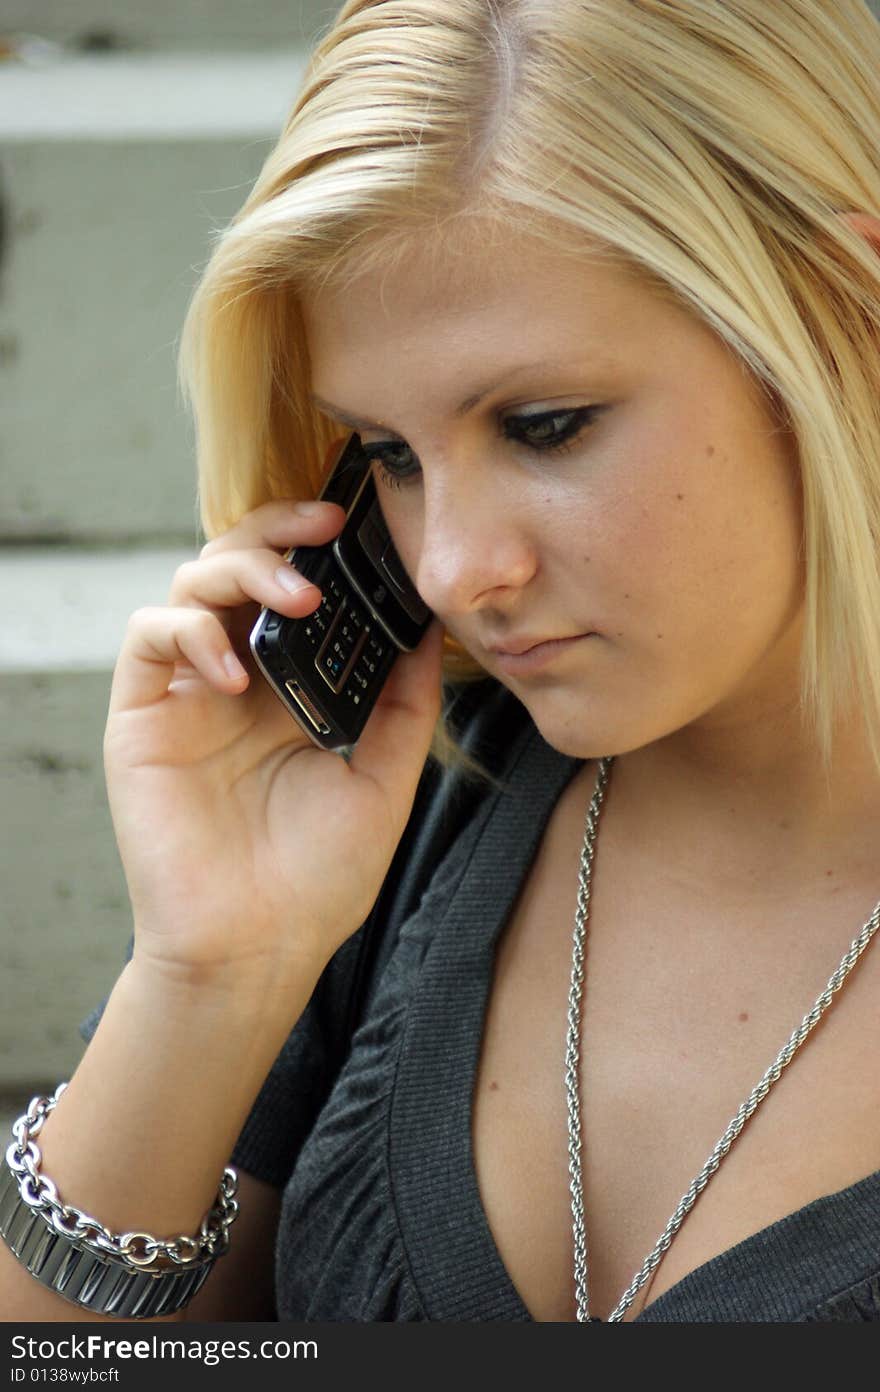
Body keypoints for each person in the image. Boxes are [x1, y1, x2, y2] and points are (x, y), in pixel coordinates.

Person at [3, 0, 880, 1324]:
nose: (452, 571)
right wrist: (210, 976)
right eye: (393, 457)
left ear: (850, 313)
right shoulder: (398, 812)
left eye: (545, 425)